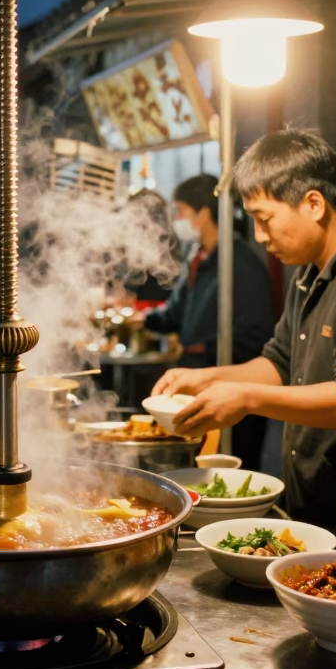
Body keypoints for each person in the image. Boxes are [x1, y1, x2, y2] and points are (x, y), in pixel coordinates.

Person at [152, 129, 336, 573]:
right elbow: (279, 361)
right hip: (319, 512)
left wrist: (247, 400)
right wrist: (209, 378)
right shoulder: (310, 273)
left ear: (313, 204)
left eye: (264, 218)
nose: (259, 235)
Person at [142, 174, 275, 470]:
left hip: (236, 395)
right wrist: (140, 318)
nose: (176, 220)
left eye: (180, 211)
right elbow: (174, 314)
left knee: (236, 474)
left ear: (203, 213)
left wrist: (201, 357)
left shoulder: (240, 263)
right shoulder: (196, 257)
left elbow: (256, 337)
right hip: (198, 389)